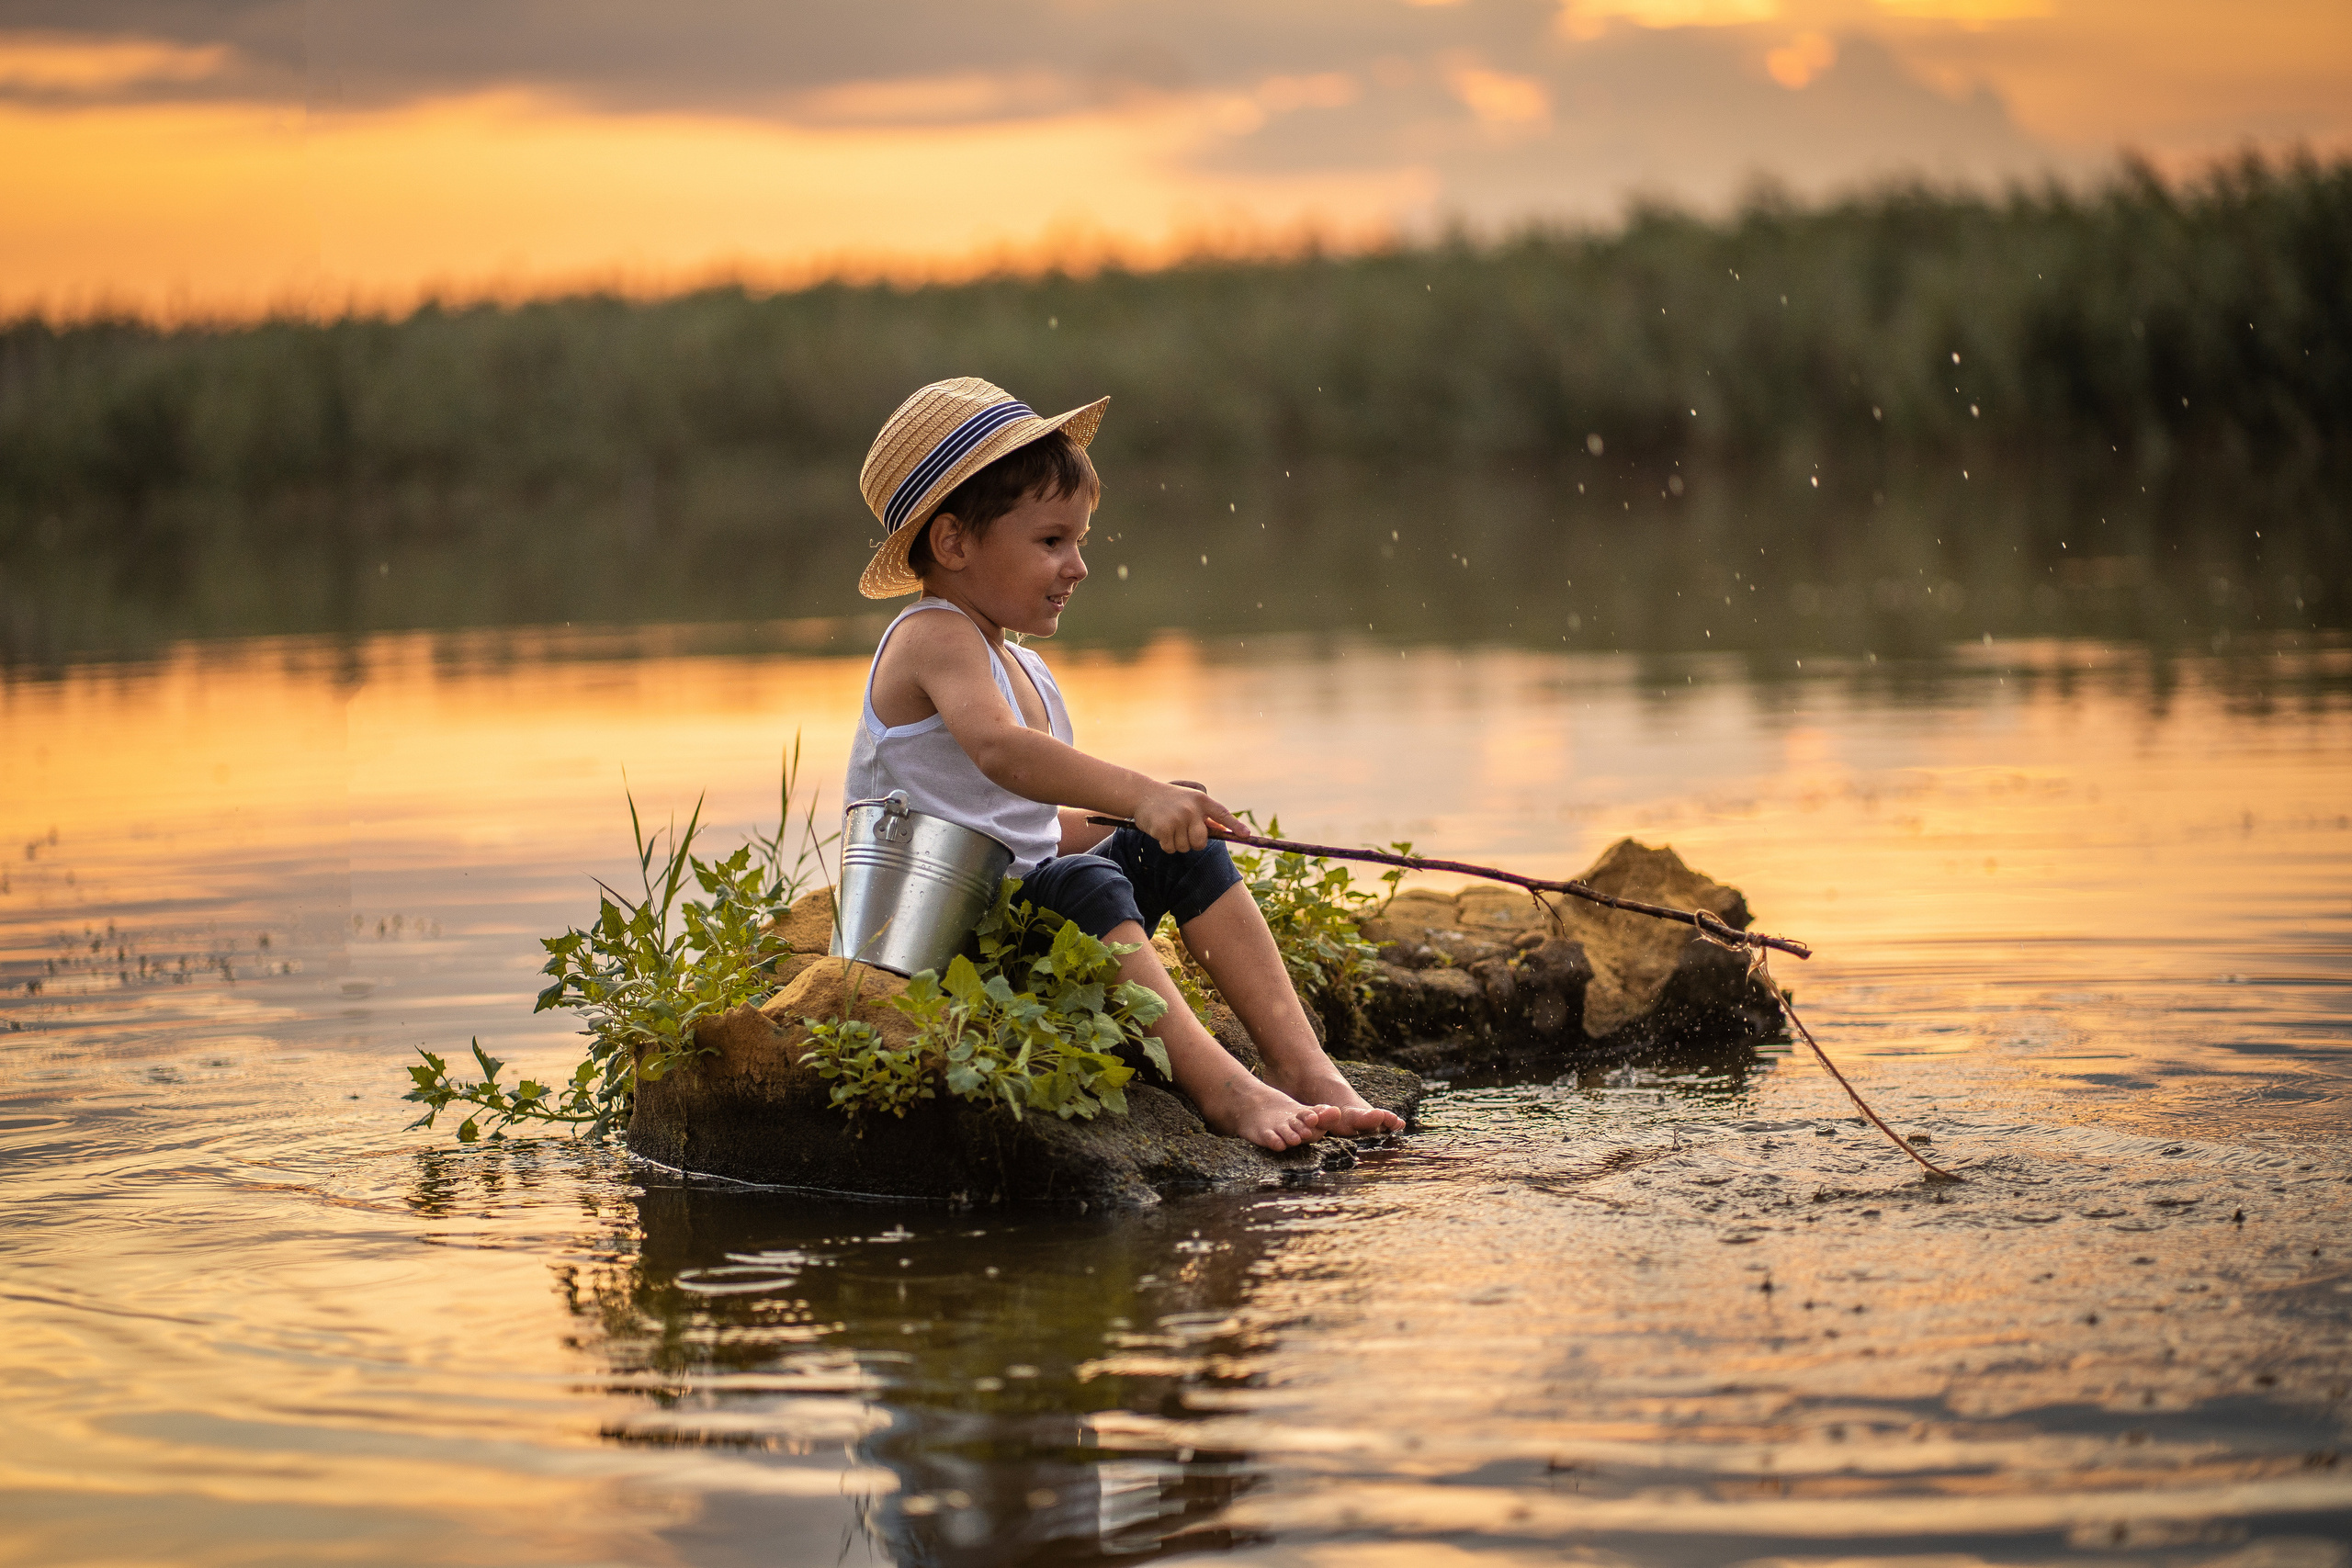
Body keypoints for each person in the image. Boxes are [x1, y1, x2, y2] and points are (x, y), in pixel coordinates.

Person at [843, 377, 1403, 1151]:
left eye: (1079, 541)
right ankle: (1225, 1090)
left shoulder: (1024, 669)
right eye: (1050, 542)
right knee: (1086, 881)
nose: (1077, 566)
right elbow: (1003, 756)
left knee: (1170, 850)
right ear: (954, 543)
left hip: (1028, 909)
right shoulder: (932, 635)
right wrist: (1138, 793)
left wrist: (1152, 813)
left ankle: (1307, 1067)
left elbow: (1034, 827)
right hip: (948, 939)